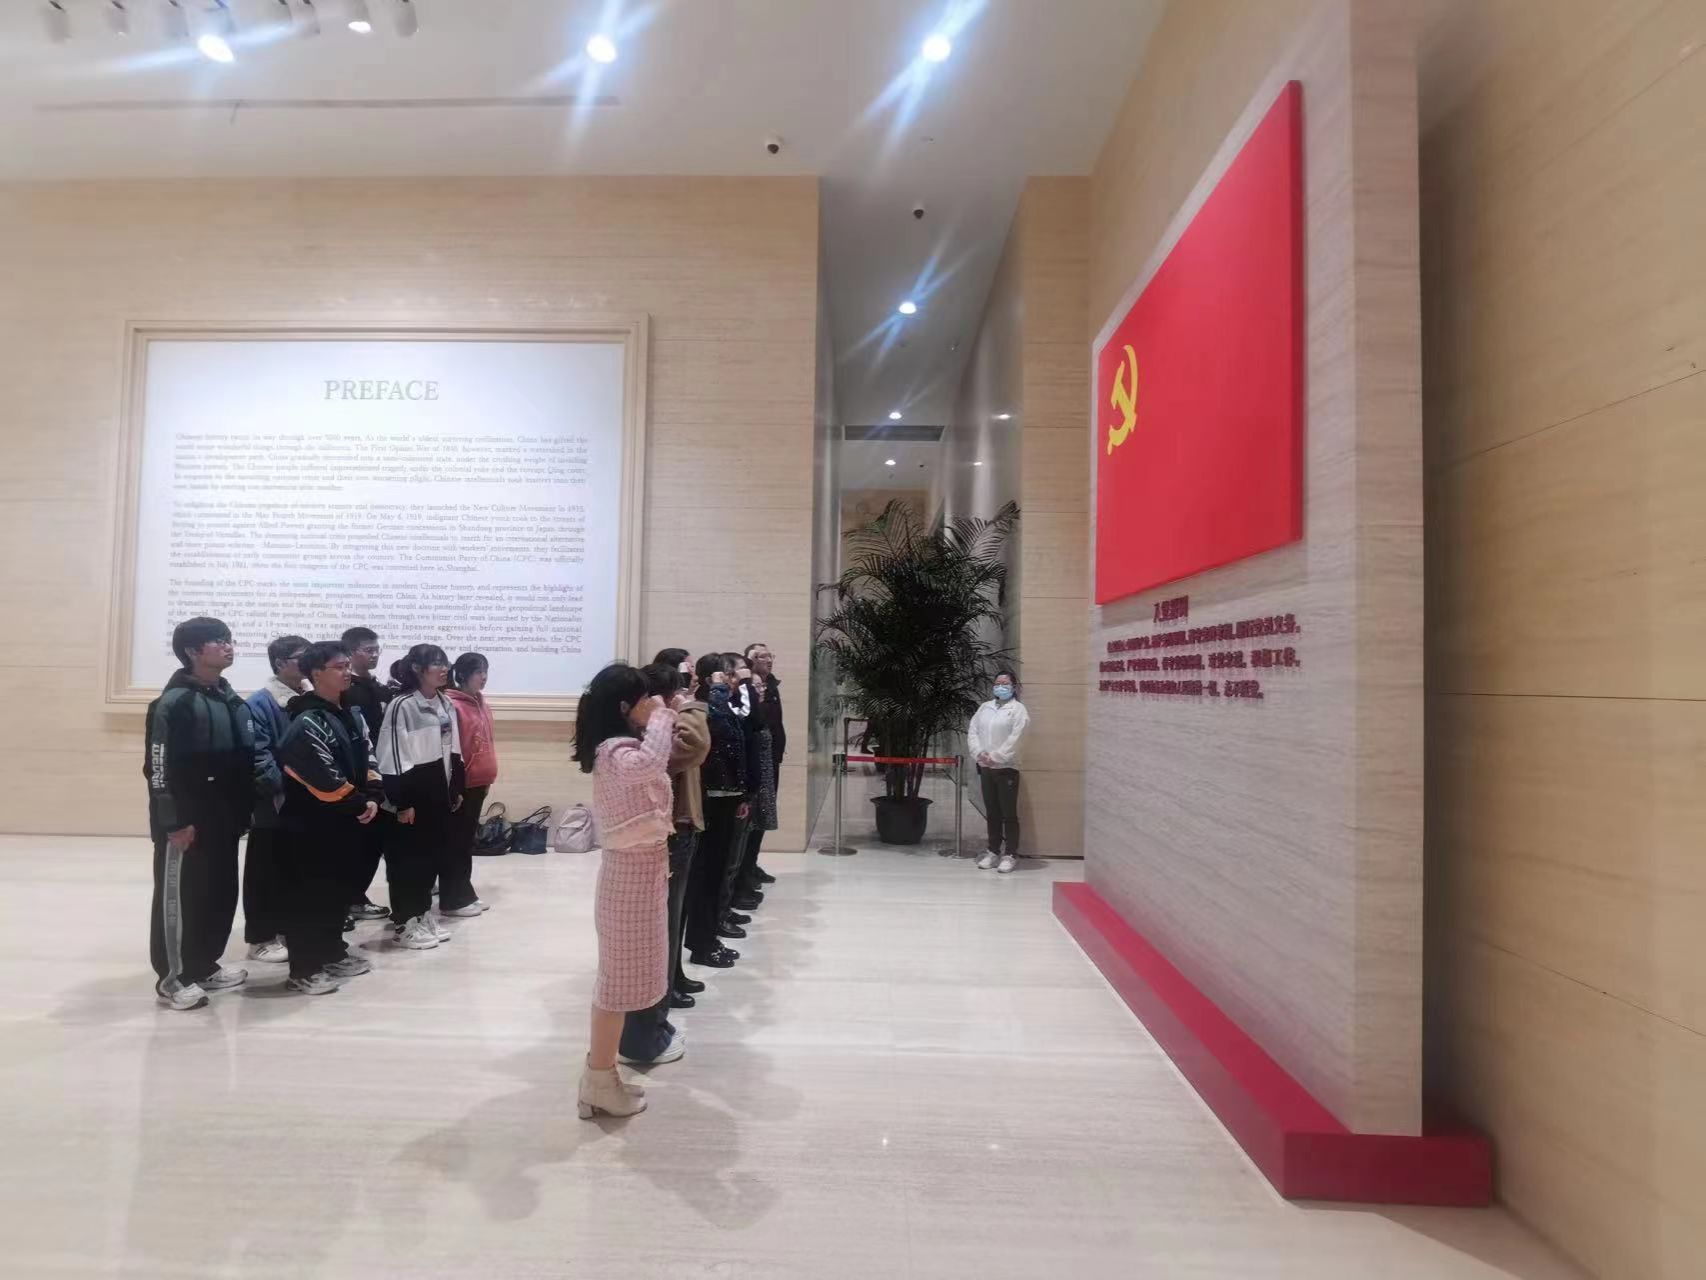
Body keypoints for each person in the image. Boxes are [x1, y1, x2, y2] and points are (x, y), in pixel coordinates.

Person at [572, 662, 677, 1120]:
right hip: (628, 880)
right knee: (617, 987)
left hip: (641, 875)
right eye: (643, 699)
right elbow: (651, 764)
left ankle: (600, 1078)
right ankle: (599, 1079)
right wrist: (663, 715)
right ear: (622, 707)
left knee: (624, 982)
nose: (650, 705)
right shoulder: (615, 751)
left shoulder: (621, 747)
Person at [143, 617, 260, 1011]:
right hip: (186, 823)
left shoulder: (230, 699)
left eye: (229, 639)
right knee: (182, 898)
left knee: (218, 894)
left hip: (224, 818)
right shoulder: (173, 703)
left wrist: (243, 811)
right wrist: (173, 821)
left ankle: (204, 964)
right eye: (217, 641)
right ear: (193, 651)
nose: (228, 646)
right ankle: (173, 979)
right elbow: (158, 768)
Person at [275, 641, 382, 995]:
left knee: (337, 891)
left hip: (345, 819)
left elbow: (368, 756)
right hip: (311, 823)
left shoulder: (351, 713)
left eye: (348, 665)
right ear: (316, 673)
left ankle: (331, 951)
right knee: (310, 896)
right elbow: (320, 773)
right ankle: (304, 968)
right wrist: (357, 802)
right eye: (339, 666)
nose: (347, 672)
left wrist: (373, 795)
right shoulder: (307, 719)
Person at [618, 657, 709, 1066]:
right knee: (658, 934)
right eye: (680, 687)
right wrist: (686, 708)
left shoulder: (644, 731)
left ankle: (656, 1018)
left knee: (667, 929)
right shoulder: (643, 736)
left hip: (669, 833)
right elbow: (695, 746)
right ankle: (645, 1031)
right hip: (661, 838)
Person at [376, 644, 465, 950]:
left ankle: (422, 913)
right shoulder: (402, 705)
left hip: (438, 795)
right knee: (407, 862)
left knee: (430, 858)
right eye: (436, 663)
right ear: (417, 668)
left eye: (445, 663)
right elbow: (393, 755)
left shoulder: (445, 702)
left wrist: (455, 788)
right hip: (412, 797)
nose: (444, 669)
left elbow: (454, 749)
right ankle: (405, 923)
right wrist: (402, 801)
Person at [242, 634, 309, 964]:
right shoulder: (260, 703)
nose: (308, 663)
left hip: (308, 802)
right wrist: (289, 787)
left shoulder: (310, 697)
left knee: (295, 868)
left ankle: (286, 927)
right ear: (281, 663)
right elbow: (259, 757)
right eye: (301, 657)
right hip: (275, 803)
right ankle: (260, 938)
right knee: (264, 870)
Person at [684, 653, 749, 970]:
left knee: (719, 871)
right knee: (708, 874)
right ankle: (702, 943)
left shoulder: (725, 702)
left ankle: (708, 937)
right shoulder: (703, 705)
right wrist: (720, 690)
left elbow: (745, 728)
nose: (734, 680)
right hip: (712, 796)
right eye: (728, 675)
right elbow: (721, 731)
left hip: (727, 793)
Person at [340, 626, 395, 925]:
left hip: (380, 774)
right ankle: (343, 902)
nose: (374, 655)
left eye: (376, 649)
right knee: (352, 844)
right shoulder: (344, 690)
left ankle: (355, 898)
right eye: (368, 650)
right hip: (352, 779)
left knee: (373, 843)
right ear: (351, 652)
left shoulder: (381, 688)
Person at [443, 652, 496, 919]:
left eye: (486, 671)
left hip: (480, 782)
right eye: (478, 672)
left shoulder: (481, 702)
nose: (483, 677)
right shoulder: (452, 704)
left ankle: (464, 893)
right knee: (456, 843)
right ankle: (453, 899)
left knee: (465, 842)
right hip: (462, 784)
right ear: (462, 674)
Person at [734, 641, 783, 905]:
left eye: (770, 655)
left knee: (763, 818)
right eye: (762, 656)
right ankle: (743, 873)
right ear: (750, 660)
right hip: (756, 762)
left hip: (771, 759)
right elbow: (753, 721)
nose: (769, 660)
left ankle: (751, 865)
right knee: (751, 822)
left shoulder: (771, 685)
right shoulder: (747, 690)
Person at [968, 670, 1030, 873]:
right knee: (992, 811)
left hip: (1006, 768)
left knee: (1008, 813)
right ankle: (993, 850)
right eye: (997, 683)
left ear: (1014, 687)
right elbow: (973, 731)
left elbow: (1017, 738)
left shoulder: (1018, 710)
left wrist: (996, 756)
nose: (1000, 687)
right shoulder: (985, 708)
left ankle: (1010, 854)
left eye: (1005, 683)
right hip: (986, 767)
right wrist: (980, 753)